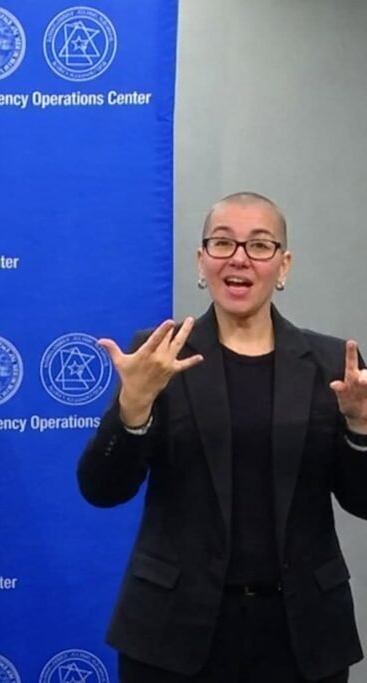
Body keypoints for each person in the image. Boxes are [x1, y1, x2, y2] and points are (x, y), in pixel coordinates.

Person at [77, 192, 367, 683]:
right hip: (172, 633)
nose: (238, 258)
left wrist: (360, 429)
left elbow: (362, 501)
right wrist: (134, 406)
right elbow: (103, 490)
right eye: (222, 243)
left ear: (283, 265)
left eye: (259, 246)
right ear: (201, 260)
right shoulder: (159, 357)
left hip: (302, 637)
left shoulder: (333, 364)